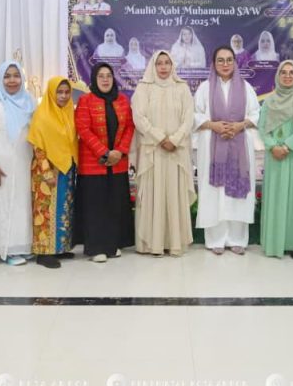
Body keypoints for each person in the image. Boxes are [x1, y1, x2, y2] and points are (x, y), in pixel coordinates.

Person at [193, 46, 260, 254]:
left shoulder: (246, 87)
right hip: (212, 147)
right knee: (215, 194)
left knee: (237, 196)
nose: (225, 64)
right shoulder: (204, 88)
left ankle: (237, 239)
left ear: (235, 62)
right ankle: (216, 240)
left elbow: (256, 113)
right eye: (220, 60)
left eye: (229, 60)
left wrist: (240, 125)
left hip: (239, 147)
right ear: (213, 64)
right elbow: (195, 114)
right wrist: (212, 125)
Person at [131, 51, 195, 257]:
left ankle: (174, 243)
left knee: (174, 195)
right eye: (159, 63)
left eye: (167, 63)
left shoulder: (182, 88)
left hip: (176, 152)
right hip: (153, 152)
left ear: (172, 65)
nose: (164, 67)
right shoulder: (144, 88)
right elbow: (139, 117)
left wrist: (174, 140)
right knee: (153, 195)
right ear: (153, 65)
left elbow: (188, 118)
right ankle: (152, 244)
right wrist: (160, 138)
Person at [74, 63, 135, 262]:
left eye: (108, 75)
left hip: (117, 163)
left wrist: (120, 151)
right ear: (94, 79)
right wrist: (104, 152)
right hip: (93, 164)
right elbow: (83, 129)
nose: (105, 79)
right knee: (95, 206)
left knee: (114, 204)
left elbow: (129, 127)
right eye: (101, 76)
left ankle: (112, 245)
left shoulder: (122, 100)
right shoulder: (85, 100)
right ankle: (96, 248)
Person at [0, 60, 36, 266]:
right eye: (7, 76)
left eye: (16, 75)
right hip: (0, 166)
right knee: (2, 206)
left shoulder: (29, 101)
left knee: (22, 206)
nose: (12, 80)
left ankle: (22, 246)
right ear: (0, 79)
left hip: (24, 162)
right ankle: (4, 250)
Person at [259, 60, 293, 258]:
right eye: (284, 72)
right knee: (275, 198)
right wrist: (273, 146)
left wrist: (286, 146)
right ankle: (275, 242)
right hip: (274, 154)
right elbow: (262, 127)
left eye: (292, 72)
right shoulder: (269, 101)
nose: (288, 76)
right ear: (278, 75)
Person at [27, 77, 78, 268]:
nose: (63, 96)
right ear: (51, 93)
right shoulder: (42, 115)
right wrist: (46, 171)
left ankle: (60, 247)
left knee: (63, 208)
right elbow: (38, 146)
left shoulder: (69, 113)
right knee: (45, 211)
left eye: (67, 92)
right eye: (59, 92)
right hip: (47, 170)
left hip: (66, 168)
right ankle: (44, 252)